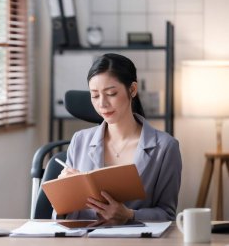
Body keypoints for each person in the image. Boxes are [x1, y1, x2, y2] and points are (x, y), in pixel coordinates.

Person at [57, 53, 182, 225]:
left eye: (111, 93)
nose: (102, 104)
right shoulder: (79, 141)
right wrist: (64, 193)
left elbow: (167, 214)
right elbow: (63, 216)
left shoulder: (165, 147)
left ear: (132, 90)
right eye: (95, 95)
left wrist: (130, 215)